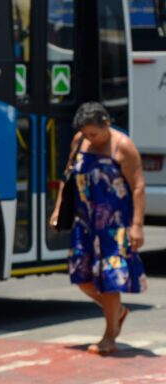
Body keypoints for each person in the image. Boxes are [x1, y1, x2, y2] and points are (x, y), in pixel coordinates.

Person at [51, 102, 147, 355]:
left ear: (106, 123)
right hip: (85, 223)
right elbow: (67, 176)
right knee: (81, 279)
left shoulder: (122, 146)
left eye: (94, 134)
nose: (90, 139)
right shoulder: (78, 141)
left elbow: (137, 186)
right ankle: (118, 313)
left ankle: (109, 337)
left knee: (109, 282)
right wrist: (58, 209)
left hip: (114, 225)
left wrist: (137, 226)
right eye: (86, 134)